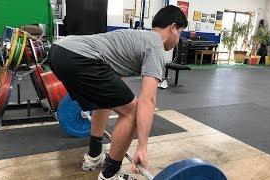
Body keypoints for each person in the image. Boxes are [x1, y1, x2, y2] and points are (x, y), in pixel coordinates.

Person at [47, 5, 187, 180]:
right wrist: (142, 147)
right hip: (78, 57)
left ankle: (94, 156)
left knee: (107, 101)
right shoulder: (155, 46)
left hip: (59, 51)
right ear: (172, 27)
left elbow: (110, 90)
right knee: (132, 111)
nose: (178, 38)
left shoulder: (135, 36)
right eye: (180, 32)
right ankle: (110, 174)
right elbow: (148, 101)